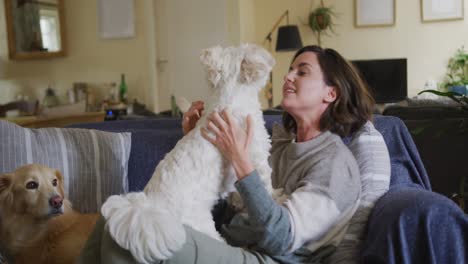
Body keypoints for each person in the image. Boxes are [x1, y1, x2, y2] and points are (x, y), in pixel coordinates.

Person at [78, 45, 387, 264]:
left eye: (302, 72)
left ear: (330, 93)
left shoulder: (335, 165)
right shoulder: (277, 142)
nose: (288, 76)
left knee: (131, 227)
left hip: (273, 258)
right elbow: (229, 210)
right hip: (234, 245)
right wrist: (203, 147)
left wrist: (241, 161)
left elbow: (280, 237)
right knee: (114, 217)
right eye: (290, 69)